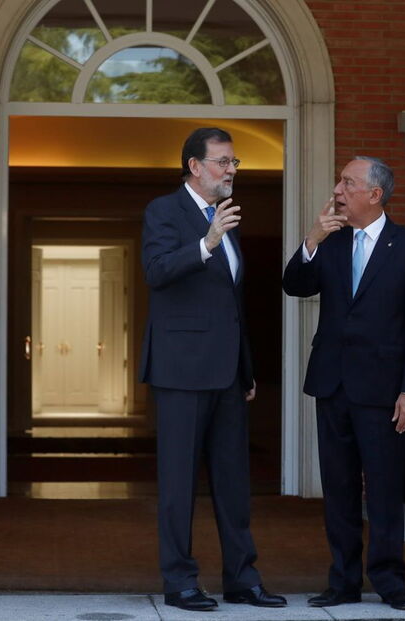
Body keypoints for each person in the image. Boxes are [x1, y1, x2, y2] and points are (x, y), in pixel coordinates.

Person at [282, 156, 405, 611]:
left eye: (348, 183)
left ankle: (390, 581)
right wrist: (313, 237)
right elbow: (294, 285)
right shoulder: (330, 243)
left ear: (375, 194)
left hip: (385, 391)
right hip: (332, 385)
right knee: (339, 489)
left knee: (386, 489)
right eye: (339, 181)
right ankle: (343, 581)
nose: (338, 189)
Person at [139, 127, 286, 612]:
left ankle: (242, 579)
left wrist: (246, 368)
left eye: (235, 162)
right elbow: (158, 271)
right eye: (223, 161)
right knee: (179, 485)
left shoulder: (227, 219)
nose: (231, 170)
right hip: (180, 371)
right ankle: (180, 582)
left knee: (233, 483)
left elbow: (231, 302)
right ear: (194, 167)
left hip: (227, 374)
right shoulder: (165, 211)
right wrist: (206, 242)